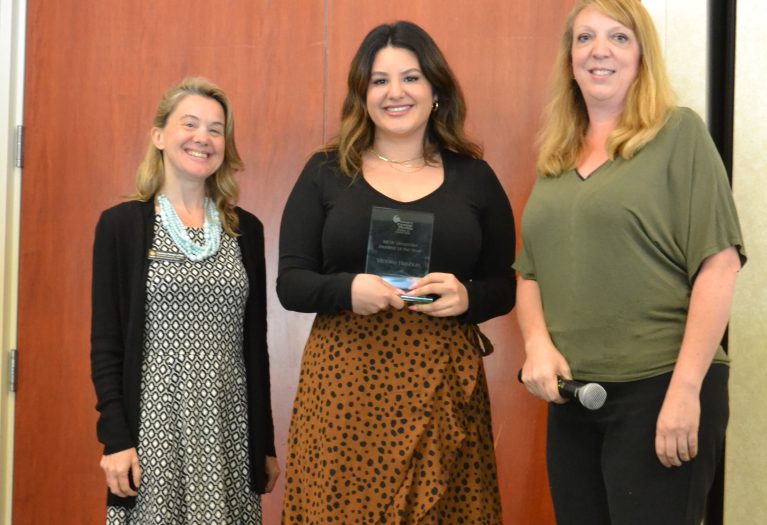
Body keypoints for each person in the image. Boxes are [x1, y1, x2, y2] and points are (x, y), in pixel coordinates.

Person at [515, 1, 746, 523]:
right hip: (574, 398)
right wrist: (537, 345)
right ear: (569, 57)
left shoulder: (678, 134)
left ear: (642, 55)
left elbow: (719, 266)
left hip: (661, 387)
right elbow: (529, 272)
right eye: (585, 38)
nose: (600, 51)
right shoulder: (555, 155)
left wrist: (685, 392)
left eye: (619, 38)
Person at [277, 20, 515, 524]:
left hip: (442, 384)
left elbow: (504, 284)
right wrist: (347, 289)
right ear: (362, 95)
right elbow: (291, 282)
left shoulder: (475, 177)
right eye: (379, 80)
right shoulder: (325, 171)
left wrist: (468, 297)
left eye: (410, 77)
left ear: (435, 89)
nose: (395, 92)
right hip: (345, 385)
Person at [90, 77, 280, 524]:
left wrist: (264, 444)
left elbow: (256, 348)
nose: (203, 138)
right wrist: (116, 439)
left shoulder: (246, 230)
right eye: (190, 124)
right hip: (153, 425)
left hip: (228, 426)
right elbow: (106, 345)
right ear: (159, 136)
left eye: (216, 129)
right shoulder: (122, 226)